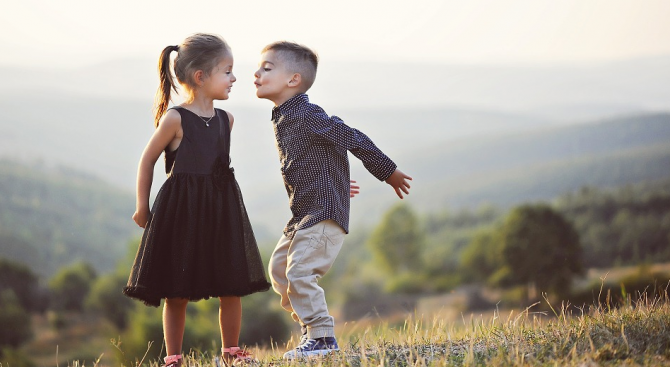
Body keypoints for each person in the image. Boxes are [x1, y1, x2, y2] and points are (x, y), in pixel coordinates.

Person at [253, 41, 412, 359]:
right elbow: (317, 156)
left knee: (299, 272)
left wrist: (387, 171)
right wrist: (335, 181)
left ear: (293, 80)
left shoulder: (308, 115)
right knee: (280, 271)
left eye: (267, 68)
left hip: (323, 214)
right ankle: (311, 331)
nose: (256, 74)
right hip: (303, 213)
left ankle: (322, 337)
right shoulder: (284, 116)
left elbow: (350, 136)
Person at [123, 33, 270, 367]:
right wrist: (142, 206)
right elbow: (147, 160)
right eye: (227, 71)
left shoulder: (225, 120)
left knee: (231, 283)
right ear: (201, 77)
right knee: (177, 290)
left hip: (220, 210)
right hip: (182, 212)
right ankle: (173, 357)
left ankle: (231, 351)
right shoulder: (175, 119)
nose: (234, 79)